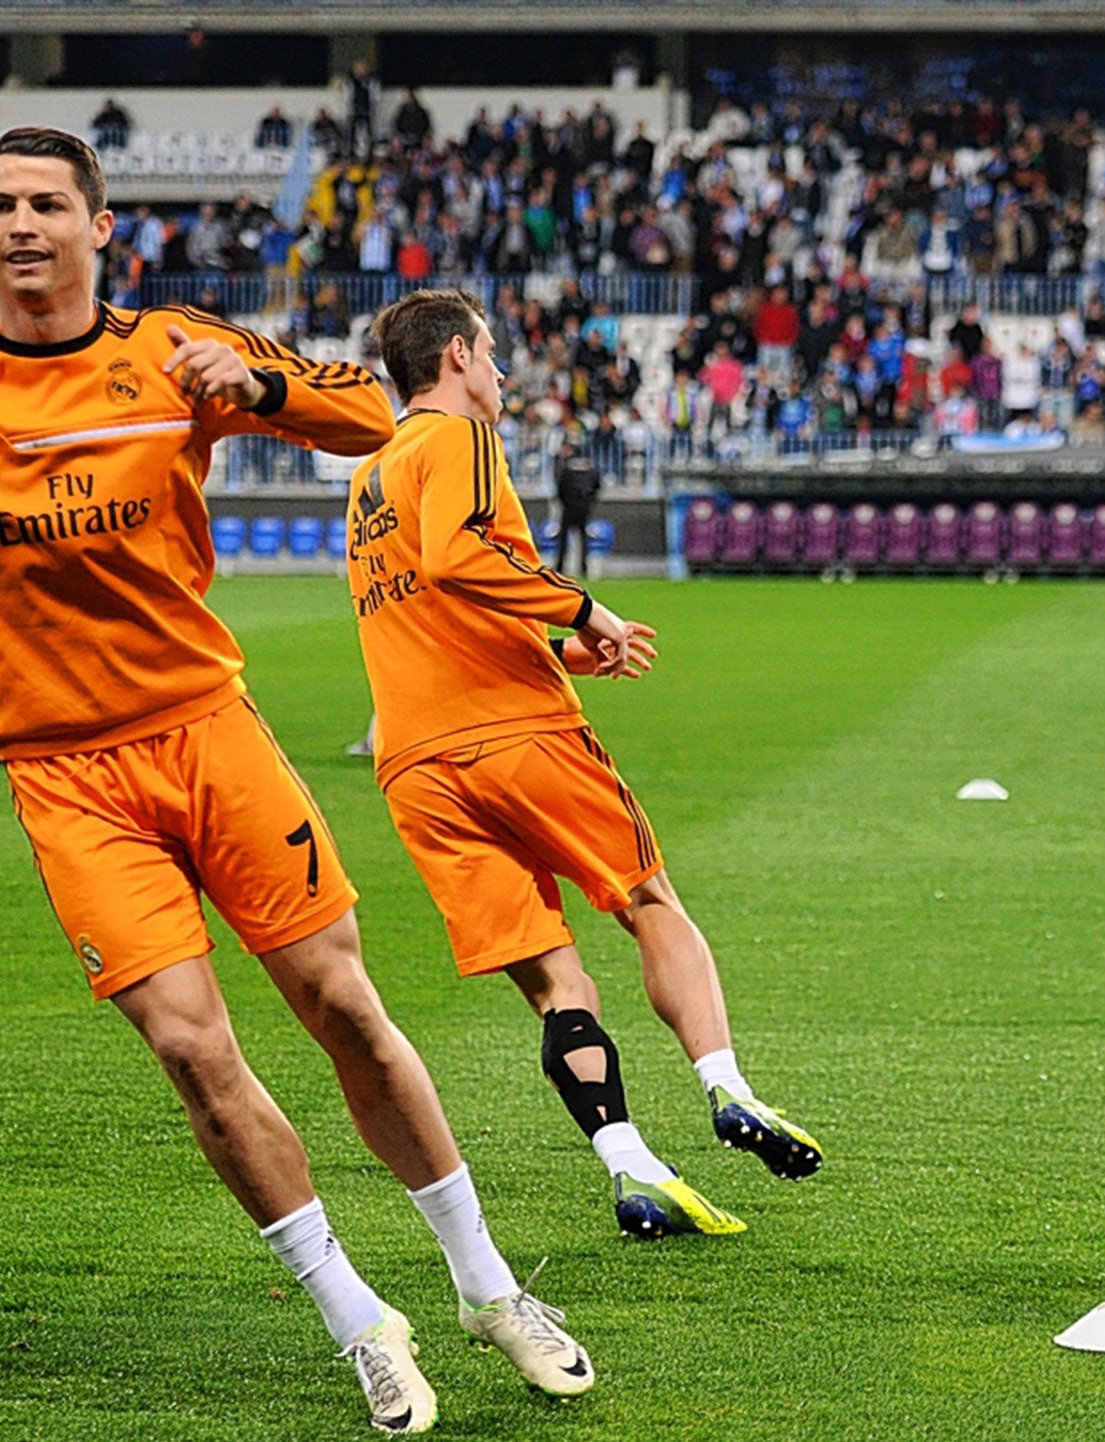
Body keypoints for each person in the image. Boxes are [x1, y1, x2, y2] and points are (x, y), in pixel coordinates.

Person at [0, 127, 592, 1433]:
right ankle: (360, 1318)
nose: (20, 226)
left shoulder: (169, 352)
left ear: (98, 227)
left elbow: (378, 414)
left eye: (46, 206)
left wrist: (249, 380)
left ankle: (485, 1288)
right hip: (63, 777)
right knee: (192, 1050)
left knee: (343, 1006)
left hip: (209, 735)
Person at [349, 288, 824, 1239]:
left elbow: (432, 614)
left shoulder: (370, 480)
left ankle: (633, 1168)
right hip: (515, 737)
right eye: (488, 352)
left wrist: (561, 652)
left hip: (417, 766)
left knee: (559, 987)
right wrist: (585, 611)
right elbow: (453, 562)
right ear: (452, 360)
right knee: (650, 902)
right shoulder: (462, 440)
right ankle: (726, 1086)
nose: (499, 369)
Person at [552, 427, 600, 578]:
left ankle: (560, 566)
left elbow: (560, 486)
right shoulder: (589, 465)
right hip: (584, 505)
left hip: (568, 506)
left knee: (564, 537)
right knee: (583, 537)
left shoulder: (566, 465)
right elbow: (597, 485)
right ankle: (584, 567)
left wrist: (563, 501)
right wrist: (590, 501)